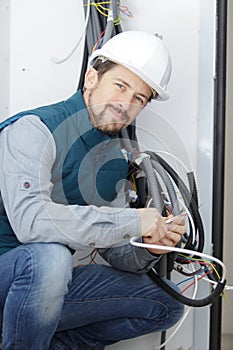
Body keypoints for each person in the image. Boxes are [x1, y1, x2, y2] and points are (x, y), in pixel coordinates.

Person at [0, 30, 185, 350]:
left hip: (42, 293)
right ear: (91, 78)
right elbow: (32, 223)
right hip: (11, 276)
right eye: (120, 85)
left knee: (165, 303)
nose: (126, 104)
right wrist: (134, 221)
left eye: (139, 98)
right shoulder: (33, 129)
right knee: (51, 257)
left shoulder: (113, 162)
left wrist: (148, 246)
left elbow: (117, 253)